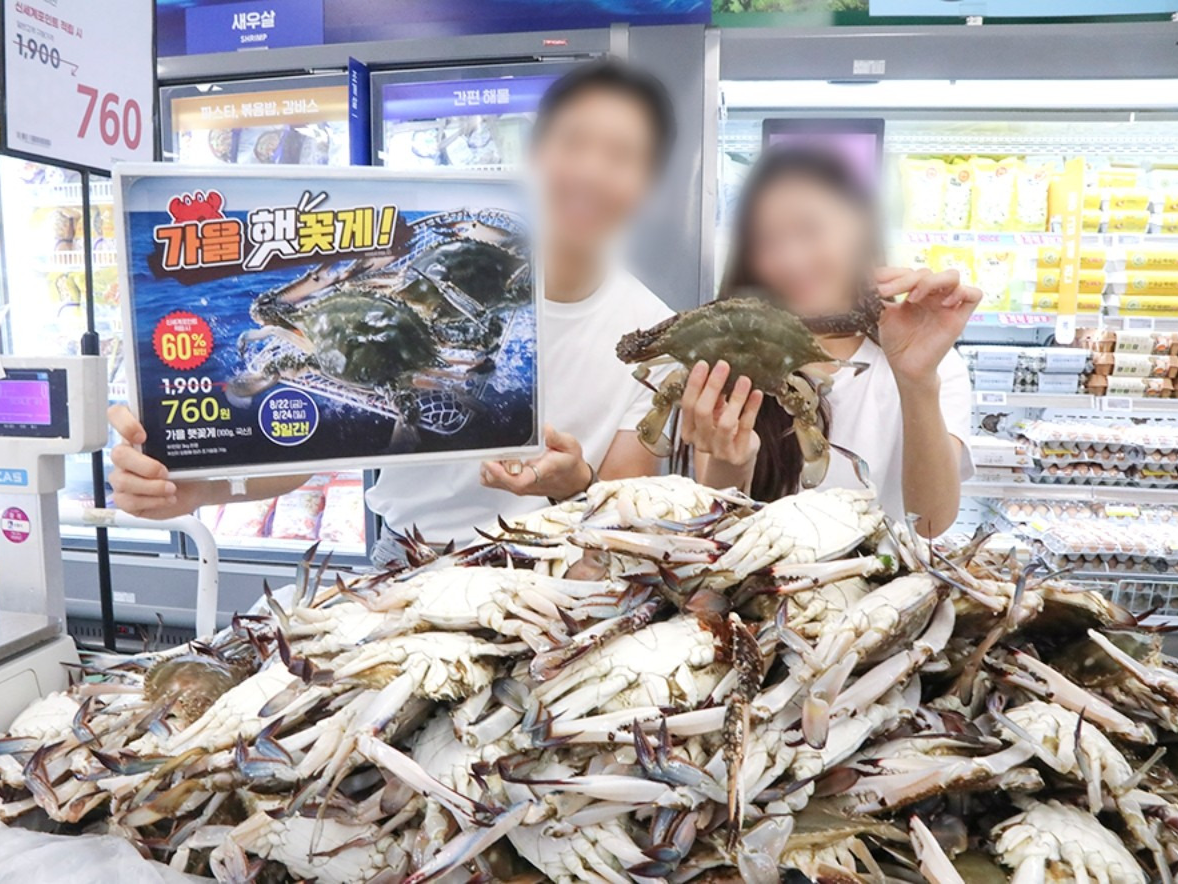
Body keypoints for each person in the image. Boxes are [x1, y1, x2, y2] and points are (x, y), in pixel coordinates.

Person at [108, 60, 676, 552]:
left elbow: (626, 517)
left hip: (558, 565)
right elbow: (311, 438)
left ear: (649, 187)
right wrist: (194, 484)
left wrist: (573, 485)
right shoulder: (409, 273)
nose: (590, 172)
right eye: (573, 143)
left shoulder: (653, 335)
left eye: (621, 156)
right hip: (410, 553)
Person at [684, 148, 979, 536]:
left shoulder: (932, 361)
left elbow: (929, 523)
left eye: (810, 230)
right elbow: (714, 533)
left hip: (885, 574)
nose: (792, 260)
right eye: (766, 241)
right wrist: (730, 463)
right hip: (761, 571)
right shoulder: (729, 361)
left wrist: (917, 379)